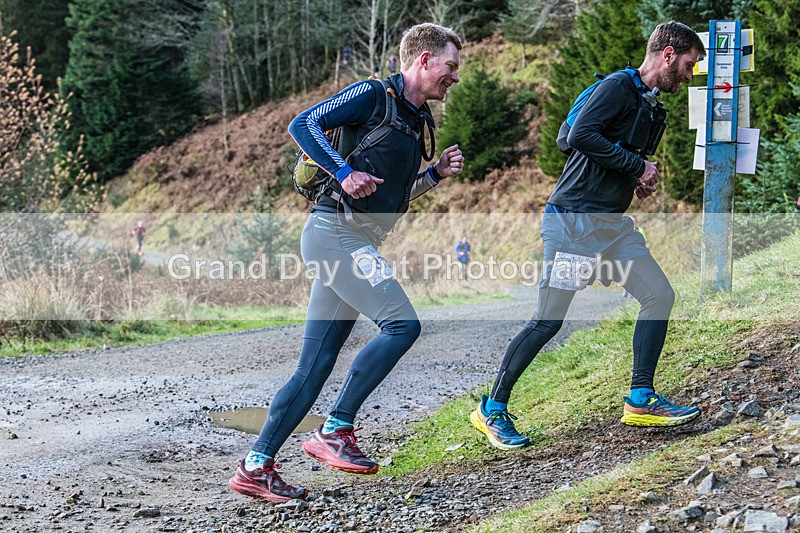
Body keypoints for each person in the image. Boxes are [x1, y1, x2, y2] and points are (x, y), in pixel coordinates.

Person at [229, 23, 464, 503]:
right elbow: (302, 124)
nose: (454, 77)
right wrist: (342, 170)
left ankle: (256, 466)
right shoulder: (373, 95)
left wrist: (433, 175)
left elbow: (391, 196)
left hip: (354, 240)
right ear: (422, 61)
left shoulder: (417, 122)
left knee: (314, 365)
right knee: (402, 325)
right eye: (450, 66)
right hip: (334, 233)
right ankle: (336, 429)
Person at [470, 21, 705, 450]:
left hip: (612, 227)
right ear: (668, 54)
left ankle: (641, 397)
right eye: (689, 65)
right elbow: (579, 136)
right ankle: (492, 408)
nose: (689, 76)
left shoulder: (654, 109)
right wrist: (637, 168)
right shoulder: (618, 86)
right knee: (548, 321)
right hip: (574, 224)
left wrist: (637, 179)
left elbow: (613, 155)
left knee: (659, 295)